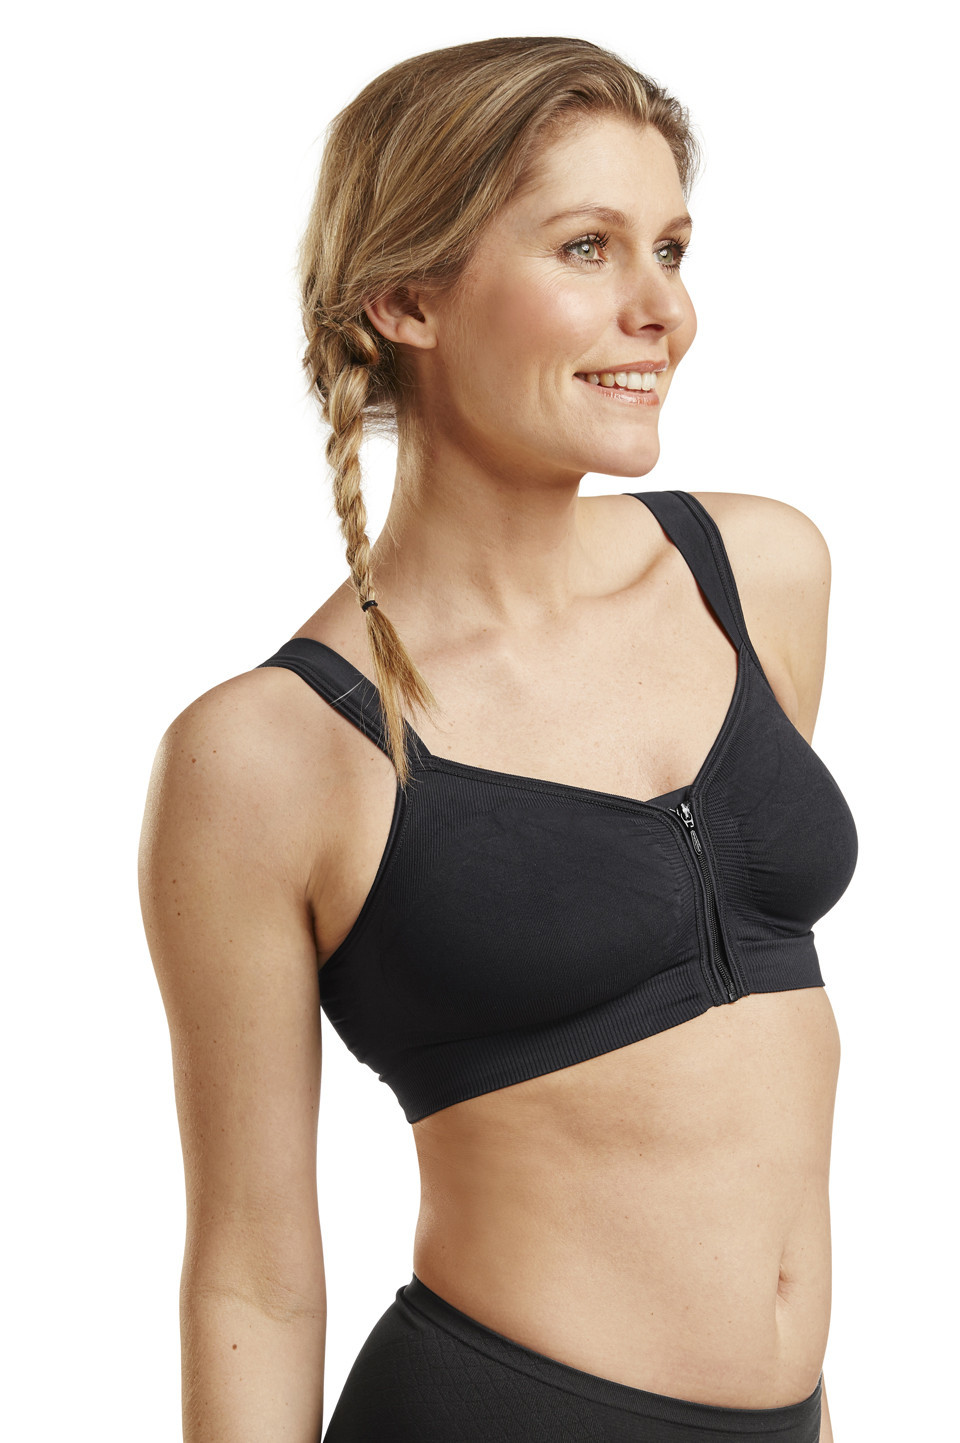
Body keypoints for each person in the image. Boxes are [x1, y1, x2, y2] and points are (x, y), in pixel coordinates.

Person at [138, 35, 857, 1443]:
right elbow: (253, 1277)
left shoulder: (757, 574)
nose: (663, 310)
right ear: (407, 297)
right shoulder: (269, 753)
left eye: (670, 248)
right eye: (588, 249)